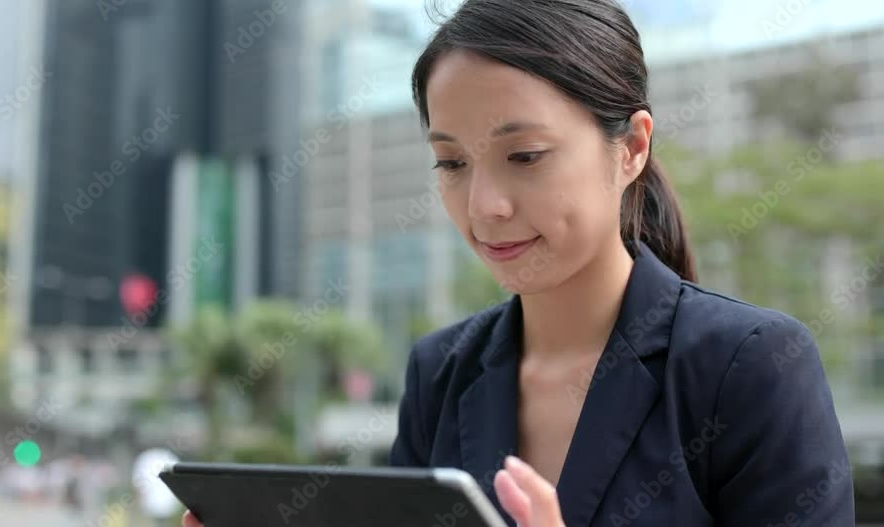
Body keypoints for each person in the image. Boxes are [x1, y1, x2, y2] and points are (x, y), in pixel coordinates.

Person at [185, 0, 855, 525]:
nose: (484, 206)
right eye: (451, 162)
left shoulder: (750, 366)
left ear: (631, 148)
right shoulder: (441, 373)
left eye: (525, 156)